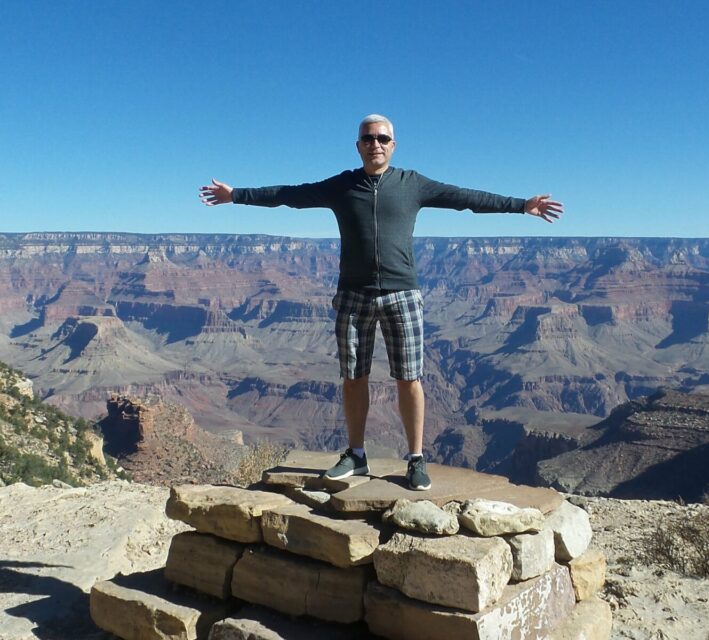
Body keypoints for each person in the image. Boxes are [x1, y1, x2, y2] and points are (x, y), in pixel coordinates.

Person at [200, 114, 563, 491]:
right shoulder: (342, 185)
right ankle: (356, 455)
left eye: (383, 138)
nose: (375, 144)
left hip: (402, 294)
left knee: (409, 378)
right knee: (353, 377)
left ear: (393, 144)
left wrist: (522, 205)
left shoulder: (413, 184)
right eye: (368, 138)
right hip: (353, 295)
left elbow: (466, 199)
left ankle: (416, 459)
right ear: (358, 145)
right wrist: (236, 195)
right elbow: (290, 195)